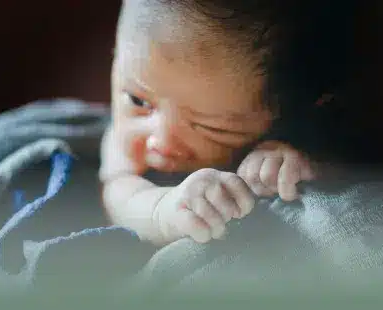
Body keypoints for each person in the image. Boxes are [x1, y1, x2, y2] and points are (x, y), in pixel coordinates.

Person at [100, 0, 356, 246]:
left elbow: (357, 169)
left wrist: (300, 163)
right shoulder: (125, 146)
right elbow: (118, 195)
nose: (161, 142)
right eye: (138, 101)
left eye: (212, 127)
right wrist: (163, 210)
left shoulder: (303, 124)